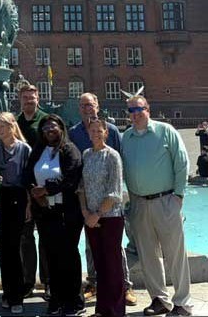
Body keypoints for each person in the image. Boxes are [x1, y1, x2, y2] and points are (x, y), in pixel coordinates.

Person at [122, 96, 192, 317]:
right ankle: (159, 299)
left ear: (148, 109)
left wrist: (178, 196)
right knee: (148, 256)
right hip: (139, 203)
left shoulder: (165, 131)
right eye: (131, 110)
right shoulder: (126, 137)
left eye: (139, 109)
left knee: (175, 254)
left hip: (166, 201)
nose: (135, 113)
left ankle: (183, 302)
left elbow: (181, 163)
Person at [68, 92, 136, 306]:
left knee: (115, 250)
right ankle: (94, 282)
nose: (87, 108)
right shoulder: (74, 133)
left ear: (97, 105)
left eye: (90, 104)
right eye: (83, 105)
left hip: (109, 205)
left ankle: (124, 286)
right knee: (91, 246)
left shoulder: (113, 131)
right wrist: (86, 209)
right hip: (87, 201)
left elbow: (119, 162)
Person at [26, 114, 84, 317]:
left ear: (61, 128)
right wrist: (34, 191)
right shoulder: (39, 150)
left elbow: (71, 178)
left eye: (53, 126)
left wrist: (47, 190)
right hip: (45, 213)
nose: (49, 130)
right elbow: (28, 174)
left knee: (68, 255)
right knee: (51, 255)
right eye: (45, 128)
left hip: (66, 213)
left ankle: (74, 299)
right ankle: (56, 297)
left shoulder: (70, 150)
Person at [78, 117, 125, 317]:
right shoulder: (86, 154)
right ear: (88, 133)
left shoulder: (112, 156)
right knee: (99, 264)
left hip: (110, 217)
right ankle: (102, 308)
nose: (95, 133)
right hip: (90, 219)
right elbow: (81, 188)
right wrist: (86, 213)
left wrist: (97, 214)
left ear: (106, 132)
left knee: (113, 265)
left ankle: (115, 310)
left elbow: (115, 192)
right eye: (92, 130)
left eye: (100, 130)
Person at [0, 112, 31, 315]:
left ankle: (17, 295)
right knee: (4, 249)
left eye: (2, 126)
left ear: (12, 126)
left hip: (17, 199)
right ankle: (7, 292)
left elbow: (29, 179)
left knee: (14, 249)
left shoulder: (24, 150)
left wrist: (29, 206)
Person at [16, 84, 49, 299]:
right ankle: (28, 282)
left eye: (32, 97)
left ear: (38, 99)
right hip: (22, 189)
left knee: (46, 237)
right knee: (25, 238)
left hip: (43, 188)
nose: (29, 100)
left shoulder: (46, 120)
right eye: (25, 97)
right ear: (20, 100)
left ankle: (47, 282)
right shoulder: (15, 122)